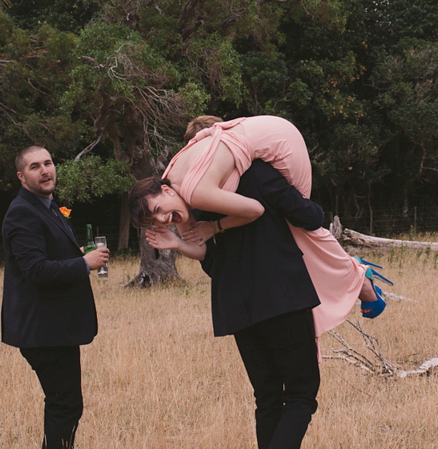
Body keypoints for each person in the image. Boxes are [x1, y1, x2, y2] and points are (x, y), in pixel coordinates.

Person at [144, 160, 323, 449]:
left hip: (238, 309)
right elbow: (309, 216)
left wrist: (184, 241)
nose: (165, 217)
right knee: (303, 394)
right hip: (281, 297)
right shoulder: (255, 176)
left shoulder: (199, 205)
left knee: (269, 397)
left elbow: (217, 265)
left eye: (160, 212)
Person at [128, 115, 390, 339]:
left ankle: (356, 274)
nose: (161, 220)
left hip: (284, 139)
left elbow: (305, 217)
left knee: (300, 229)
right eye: (154, 220)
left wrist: (215, 227)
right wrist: (177, 243)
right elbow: (203, 249)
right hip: (256, 289)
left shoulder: (245, 178)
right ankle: (352, 274)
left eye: (158, 212)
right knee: (294, 231)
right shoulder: (184, 197)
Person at [1, 145, 110, 449]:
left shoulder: (47, 207)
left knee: (66, 405)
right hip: (41, 331)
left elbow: (48, 258)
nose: (45, 170)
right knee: (64, 406)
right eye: (35, 166)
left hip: (57, 328)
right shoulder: (21, 214)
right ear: (21, 177)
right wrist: (83, 263)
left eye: (48, 163)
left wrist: (74, 256)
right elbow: (35, 271)